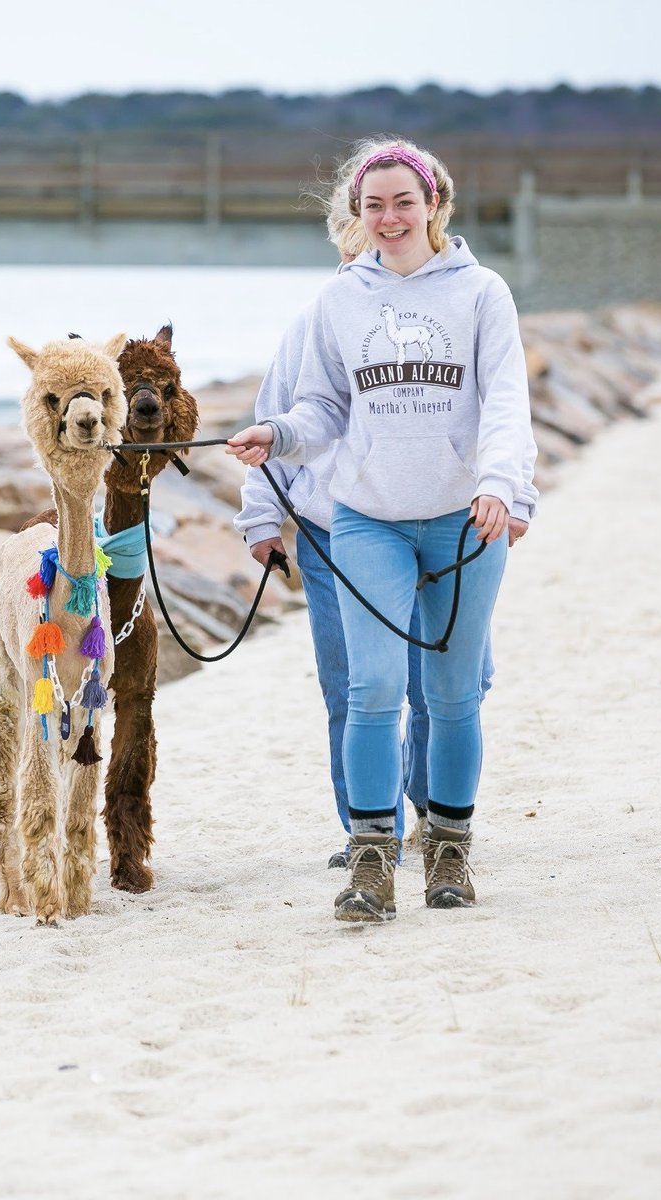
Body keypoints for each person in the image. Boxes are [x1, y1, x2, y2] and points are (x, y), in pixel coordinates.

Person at [228, 138, 537, 922]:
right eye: (374, 205)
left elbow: (505, 402)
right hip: (368, 521)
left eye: (404, 202)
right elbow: (323, 407)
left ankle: (451, 854)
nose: (389, 217)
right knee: (371, 689)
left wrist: (503, 485)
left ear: (435, 204)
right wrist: (279, 437)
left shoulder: (481, 293)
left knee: (455, 691)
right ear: (357, 215)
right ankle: (370, 861)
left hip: (465, 521)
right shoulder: (340, 299)